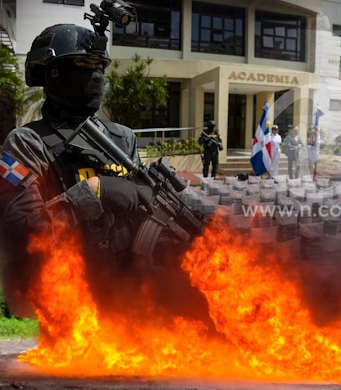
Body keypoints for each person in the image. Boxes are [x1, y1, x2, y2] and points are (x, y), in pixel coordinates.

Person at [0, 24, 212, 325]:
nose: (95, 76)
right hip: (76, 300)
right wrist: (94, 191)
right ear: (51, 73)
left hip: (131, 294)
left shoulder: (121, 138)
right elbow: (24, 232)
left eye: (99, 66)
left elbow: (142, 221)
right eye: (83, 66)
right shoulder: (25, 143)